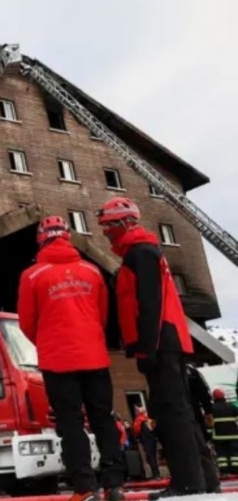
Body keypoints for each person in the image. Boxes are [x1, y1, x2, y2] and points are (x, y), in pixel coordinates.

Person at [97, 197, 220, 498]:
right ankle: (203, 477)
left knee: (170, 411)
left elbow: (150, 303)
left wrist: (146, 348)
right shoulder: (142, 252)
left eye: (109, 226)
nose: (105, 233)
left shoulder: (140, 253)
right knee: (180, 409)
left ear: (125, 222)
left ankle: (188, 482)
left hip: (160, 341)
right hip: (165, 340)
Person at [17, 215, 125, 501]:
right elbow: (102, 316)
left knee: (70, 423)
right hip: (95, 357)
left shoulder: (32, 275)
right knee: (103, 419)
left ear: (41, 239)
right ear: (67, 236)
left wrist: (48, 342)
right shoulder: (91, 271)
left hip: (58, 361)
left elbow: (27, 322)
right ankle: (115, 484)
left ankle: (85, 488)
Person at [211, 388, 238, 476]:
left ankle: (224, 470)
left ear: (213, 397)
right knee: (234, 452)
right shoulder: (231, 406)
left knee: (221, 454)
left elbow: (209, 423)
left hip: (218, 436)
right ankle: (235, 469)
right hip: (233, 434)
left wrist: (208, 434)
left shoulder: (212, 408)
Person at [133, 407, 160, 479]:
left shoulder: (139, 420)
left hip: (146, 440)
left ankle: (155, 473)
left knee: (150, 456)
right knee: (153, 456)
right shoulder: (148, 419)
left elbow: (136, 430)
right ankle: (156, 473)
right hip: (152, 439)